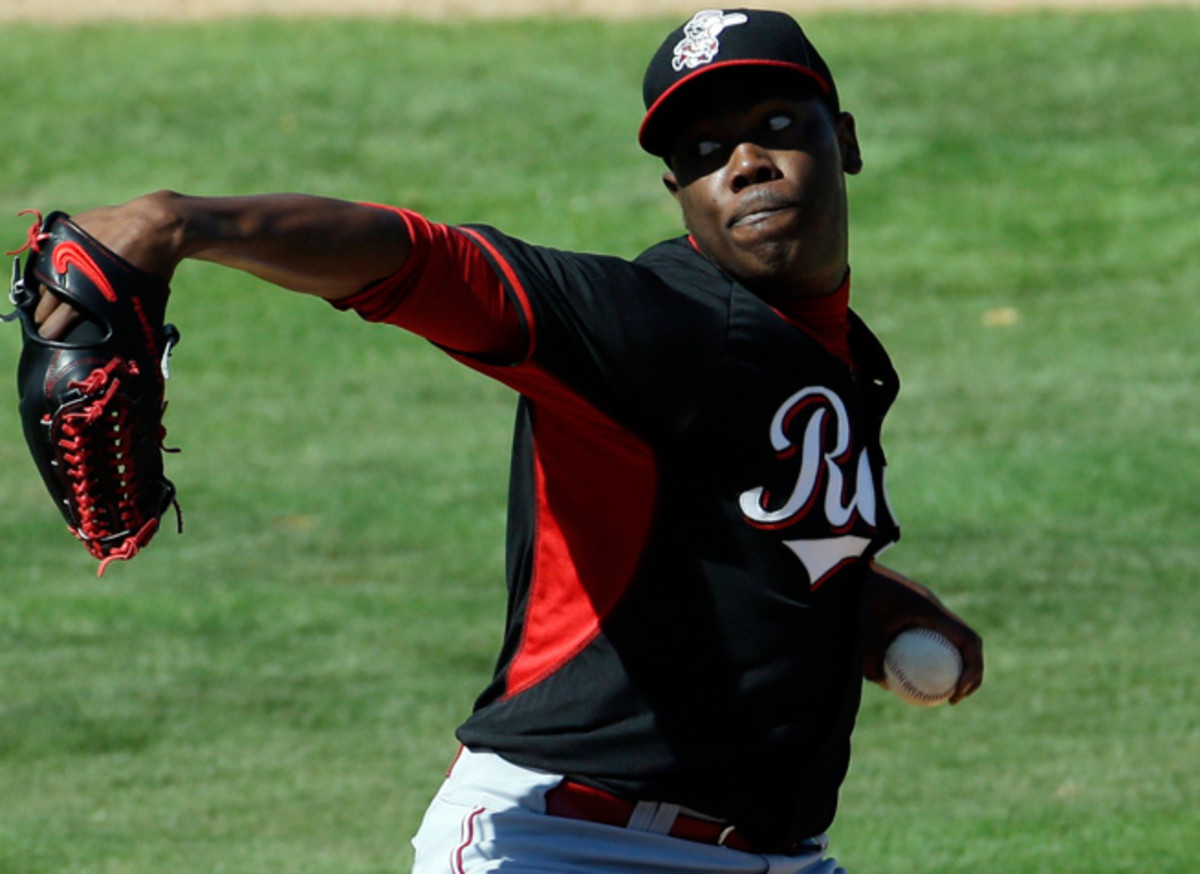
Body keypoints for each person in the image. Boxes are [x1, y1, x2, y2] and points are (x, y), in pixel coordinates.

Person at [30, 8, 983, 872]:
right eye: (704, 151)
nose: (745, 165)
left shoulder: (835, 354)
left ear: (844, 141)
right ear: (677, 190)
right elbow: (434, 265)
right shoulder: (662, 323)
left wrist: (863, 608)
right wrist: (181, 223)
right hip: (562, 845)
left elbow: (730, 545)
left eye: (776, 126)